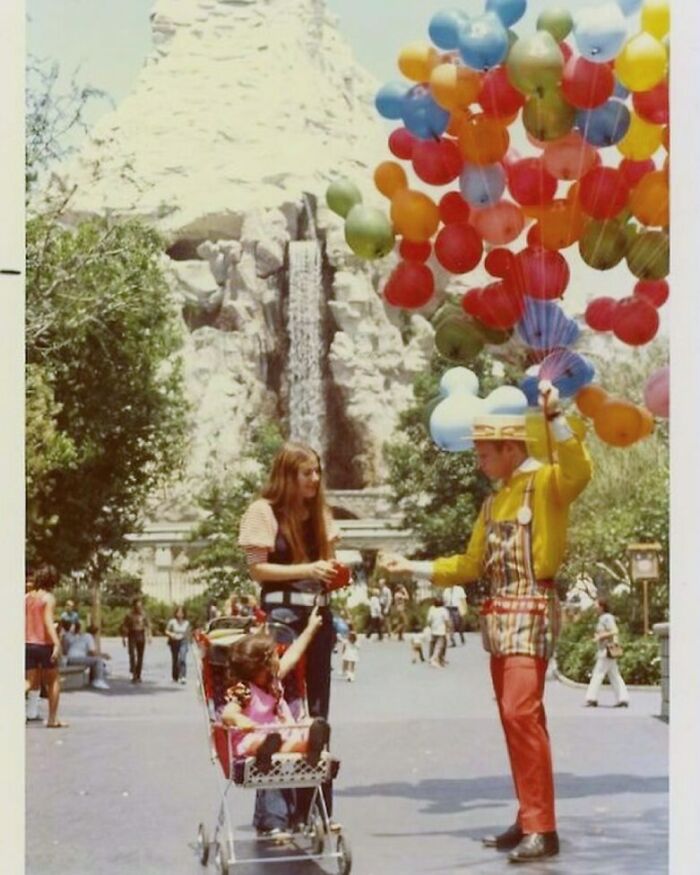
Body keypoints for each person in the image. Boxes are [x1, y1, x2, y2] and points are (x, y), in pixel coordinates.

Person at [382, 381, 592, 863]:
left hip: (532, 607)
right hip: (499, 617)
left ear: (510, 448)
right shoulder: (493, 502)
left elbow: (579, 470)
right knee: (514, 719)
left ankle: (543, 827)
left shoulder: (546, 483)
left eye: (484, 452)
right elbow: (470, 564)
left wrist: (556, 416)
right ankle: (529, 815)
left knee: (522, 714)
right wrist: (412, 568)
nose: (478, 460)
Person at [238, 441, 342, 836]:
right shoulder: (263, 512)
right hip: (281, 616)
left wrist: (332, 573)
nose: (315, 479)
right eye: (307, 473)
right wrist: (307, 567)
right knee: (280, 707)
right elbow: (258, 571)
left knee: (316, 712)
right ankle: (275, 814)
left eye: (317, 472)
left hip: (316, 614)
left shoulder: (320, 515)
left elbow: (328, 565)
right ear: (288, 476)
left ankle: (315, 809)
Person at [219, 607, 330, 764]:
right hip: (254, 737)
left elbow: (293, 654)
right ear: (265, 664)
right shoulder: (243, 689)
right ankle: (276, 750)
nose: (280, 655)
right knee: (258, 742)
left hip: (280, 734)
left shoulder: (273, 680)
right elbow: (227, 714)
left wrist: (311, 628)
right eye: (275, 654)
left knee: (307, 724)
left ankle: (309, 744)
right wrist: (238, 719)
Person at [25, 564, 67, 728]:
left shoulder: (27, 598)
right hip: (44, 644)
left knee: (29, 682)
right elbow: (48, 622)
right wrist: (57, 643)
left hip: (27, 644)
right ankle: (52, 719)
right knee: (53, 681)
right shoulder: (48, 598)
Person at [585, 599, 629, 708]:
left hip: (606, 651)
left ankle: (592, 698)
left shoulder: (607, 617)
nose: (594, 607)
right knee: (614, 675)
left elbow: (614, 631)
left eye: (596, 605)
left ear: (601, 607)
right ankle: (623, 698)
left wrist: (600, 636)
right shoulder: (602, 618)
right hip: (606, 651)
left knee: (598, 674)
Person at [62, 621, 110, 690]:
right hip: (77, 658)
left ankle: (93, 679)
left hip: (69, 659)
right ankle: (98, 680)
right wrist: (104, 655)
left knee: (93, 660)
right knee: (98, 660)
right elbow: (92, 652)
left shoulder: (72, 636)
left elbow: (65, 650)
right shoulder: (88, 636)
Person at [120, 597, 152, 683]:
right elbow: (124, 626)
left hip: (141, 634)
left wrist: (149, 636)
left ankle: (139, 674)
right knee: (132, 654)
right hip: (132, 634)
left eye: (140, 605)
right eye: (137, 605)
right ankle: (134, 673)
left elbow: (148, 625)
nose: (139, 607)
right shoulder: (129, 615)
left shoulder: (144, 615)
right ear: (134, 606)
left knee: (140, 656)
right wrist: (123, 638)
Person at [165, 605, 191, 684]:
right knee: (175, 659)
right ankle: (175, 676)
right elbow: (166, 631)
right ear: (176, 613)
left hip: (183, 641)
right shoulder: (172, 622)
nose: (180, 614)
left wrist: (189, 640)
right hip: (174, 641)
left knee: (182, 658)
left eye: (181, 612)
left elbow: (188, 633)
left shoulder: (186, 623)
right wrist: (171, 634)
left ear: (184, 614)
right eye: (178, 612)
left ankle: (183, 676)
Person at [426, 596, 451, 667]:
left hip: (433, 630)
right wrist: (448, 629)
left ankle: (431, 657)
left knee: (432, 644)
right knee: (441, 646)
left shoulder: (431, 609)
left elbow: (429, 621)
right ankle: (439, 659)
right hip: (441, 631)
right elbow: (446, 621)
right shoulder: (444, 610)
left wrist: (430, 627)